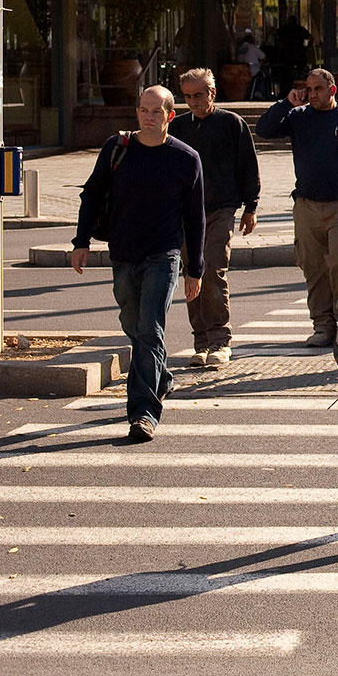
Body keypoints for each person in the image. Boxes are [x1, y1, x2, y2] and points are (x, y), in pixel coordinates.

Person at [70, 86, 206, 443]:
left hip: (164, 256)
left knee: (149, 329)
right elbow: (93, 194)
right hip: (123, 254)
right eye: (143, 111)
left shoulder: (186, 158)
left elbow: (195, 218)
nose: (148, 117)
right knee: (133, 324)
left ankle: (143, 412)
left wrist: (196, 269)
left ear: (169, 117)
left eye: (156, 112)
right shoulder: (118, 149)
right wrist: (80, 242)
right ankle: (160, 376)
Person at [255, 68, 338, 347]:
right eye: (308, 89)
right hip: (307, 204)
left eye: (318, 89)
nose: (312, 94)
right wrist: (287, 102)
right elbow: (264, 130)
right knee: (313, 266)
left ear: (332, 90)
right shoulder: (299, 117)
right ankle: (322, 325)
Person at [169, 68, 261, 369]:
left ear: (212, 93)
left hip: (221, 208)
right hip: (185, 212)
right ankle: (201, 340)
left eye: (199, 95)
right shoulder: (179, 127)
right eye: (188, 97)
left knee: (212, 269)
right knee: (193, 274)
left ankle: (220, 339)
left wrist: (251, 206)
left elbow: (248, 165)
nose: (194, 102)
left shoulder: (231, 123)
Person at [275, 13, 312, 87]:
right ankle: (300, 88)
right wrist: (307, 47)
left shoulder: (285, 29)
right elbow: (311, 37)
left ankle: (286, 89)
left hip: (287, 54)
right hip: (299, 53)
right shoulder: (300, 29)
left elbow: (276, 34)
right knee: (300, 73)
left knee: (287, 73)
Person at [236, 31, 271, 100]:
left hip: (241, 72)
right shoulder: (253, 48)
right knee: (265, 77)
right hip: (253, 70)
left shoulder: (239, 49)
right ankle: (261, 94)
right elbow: (263, 57)